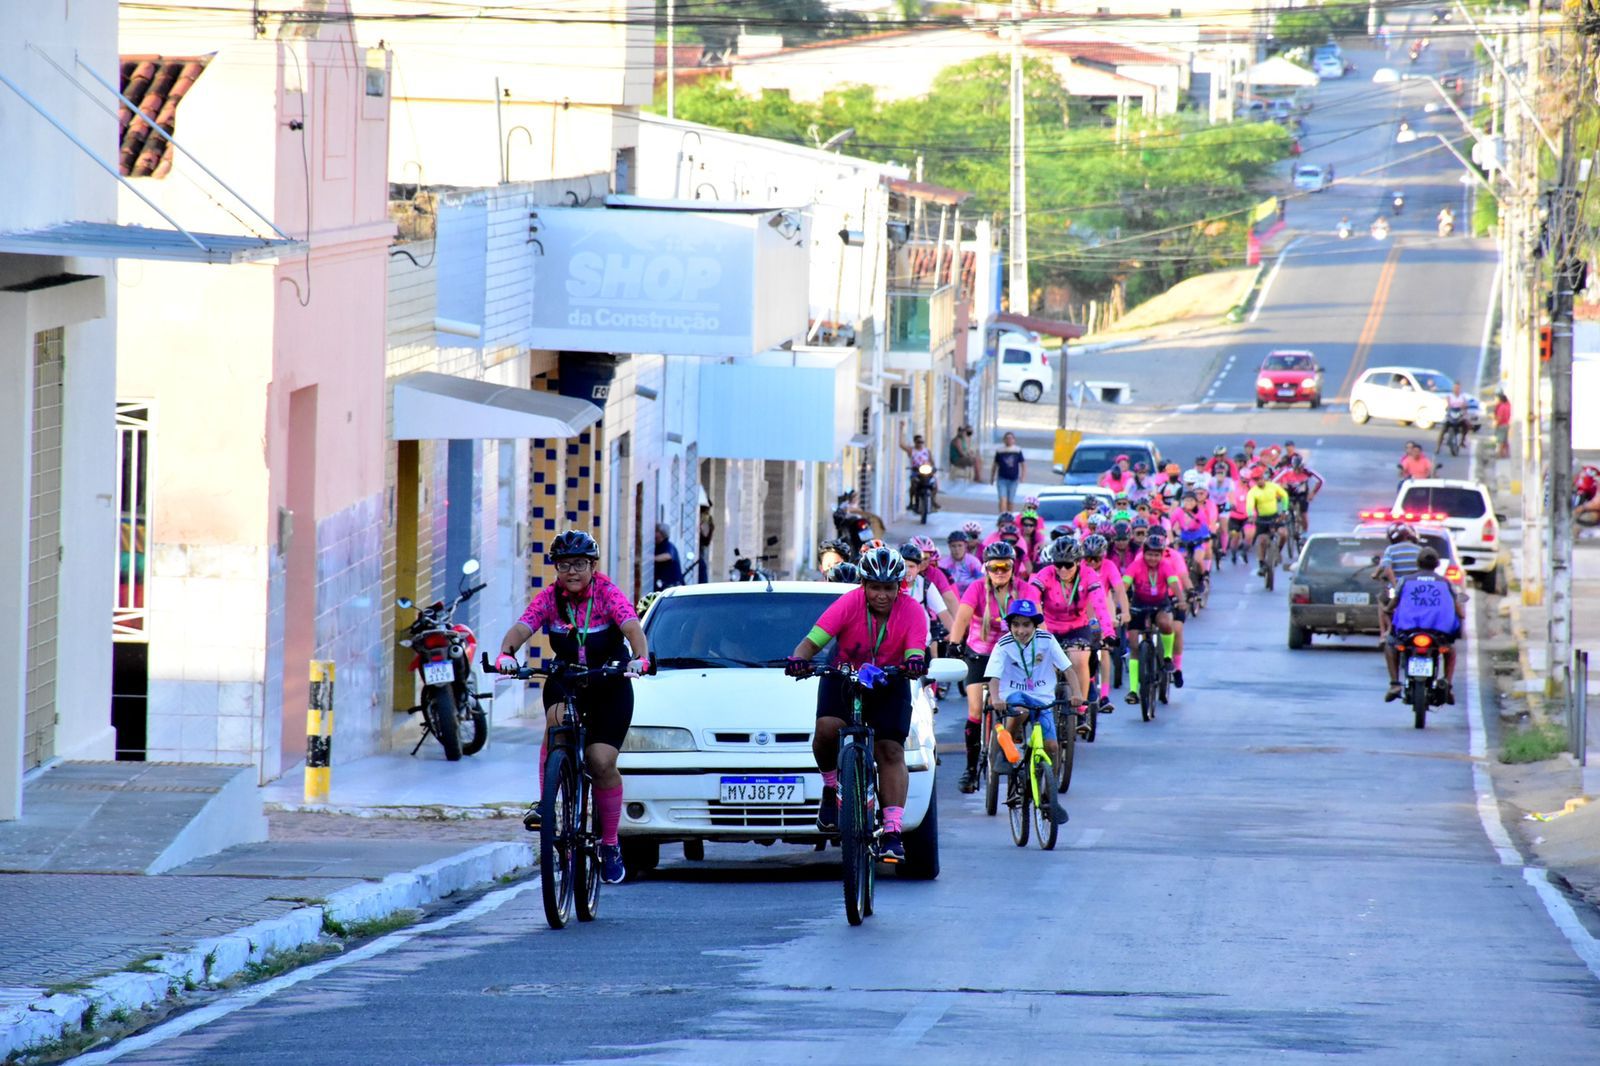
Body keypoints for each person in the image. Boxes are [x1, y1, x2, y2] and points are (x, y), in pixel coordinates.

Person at [495, 530, 650, 885]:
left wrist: (640, 658)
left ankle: (610, 844)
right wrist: (507, 653)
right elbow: (522, 627)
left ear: (593, 566)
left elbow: (631, 626)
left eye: (580, 564)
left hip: (609, 682)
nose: (572, 572)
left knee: (600, 761)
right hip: (567, 680)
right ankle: (547, 803)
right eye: (564, 565)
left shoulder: (608, 593)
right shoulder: (550, 598)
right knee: (555, 725)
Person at [785, 546, 928, 864]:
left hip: (889, 681)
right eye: (874, 587)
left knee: (891, 750)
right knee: (826, 729)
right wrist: (799, 660)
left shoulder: (912, 611)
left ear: (898, 587)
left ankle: (891, 832)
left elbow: (915, 650)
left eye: (888, 588)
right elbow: (812, 641)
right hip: (844, 675)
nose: (881, 595)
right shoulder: (848, 603)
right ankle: (830, 787)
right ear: (863, 585)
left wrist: (914, 663)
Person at [947, 541, 1043, 793]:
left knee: (1020, 708)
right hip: (980, 654)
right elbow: (962, 618)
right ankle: (970, 770)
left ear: (1014, 567)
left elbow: (1039, 624)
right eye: (994, 567)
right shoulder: (977, 588)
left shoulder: (1025, 589)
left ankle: (1006, 742)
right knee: (976, 710)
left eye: (1005, 566)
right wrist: (954, 643)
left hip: (1014, 657)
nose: (1000, 571)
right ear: (986, 568)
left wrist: (1044, 650)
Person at [983, 600, 1071, 825]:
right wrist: (996, 699)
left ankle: (1048, 795)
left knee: (1051, 747)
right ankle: (1006, 748)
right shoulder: (1003, 644)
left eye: (1026, 625)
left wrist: (1077, 695)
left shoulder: (1047, 640)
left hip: (1043, 697)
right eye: (1016, 625)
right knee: (1020, 710)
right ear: (1010, 626)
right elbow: (993, 675)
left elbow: (1068, 668)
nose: (1021, 630)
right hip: (1012, 693)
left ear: (1035, 626)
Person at [1036, 537, 1111, 730]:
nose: (1062, 570)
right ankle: (1044, 708)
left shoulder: (1089, 575)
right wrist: (1039, 628)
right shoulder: (1046, 574)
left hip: (1078, 627)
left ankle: (1081, 711)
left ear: (1078, 562)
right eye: (1058, 564)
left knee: (1079, 659)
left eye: (1067, 565)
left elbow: (1100, 605)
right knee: (1045, 666)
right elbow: (1032, 598)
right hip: (1049, 627)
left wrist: (1109, 632)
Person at [1383, 547, 1465, 704]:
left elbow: (1394, 603)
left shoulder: (1405, 581)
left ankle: (1394, 684)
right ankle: (1448, 684)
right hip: (1438, 633)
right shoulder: (1446, 583)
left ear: (1417, 563)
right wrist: (1460, 616)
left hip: (1408, 631)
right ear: (1437, 564)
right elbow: (1459, 611)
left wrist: (1386, 609)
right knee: (1450, 651)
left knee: (1390, 645)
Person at [1121, 531, 1181, 706]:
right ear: (1144, 553)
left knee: (1165, 623)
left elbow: (1174, 585)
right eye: (1149, 554)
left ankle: (1168, 657)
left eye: (1156, 555)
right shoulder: (1136, 565)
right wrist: (1120, 604)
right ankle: (1133, 690)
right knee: (1133, 645)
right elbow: (1123, 586)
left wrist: (1182, 600)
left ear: (1161, 554)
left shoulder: (1166, 566)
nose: (1152, 558)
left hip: (1161, 604)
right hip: (1139, 604)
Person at [1374, 522, 1423, 639]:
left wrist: (1396, 586)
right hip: (1416, 588)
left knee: (1382, 602)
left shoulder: (1391, 550)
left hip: (1396, 588)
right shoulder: (1420, 550)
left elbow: (1386, 569)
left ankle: (1384, 633)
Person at [1245, 471, 1291, 576]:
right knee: (1261, 540)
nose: (1259, 481)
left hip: (1274, 516)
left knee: (1284, 533)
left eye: (1260, 478)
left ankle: (1278, 551)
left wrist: (1284, 510)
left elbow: (1284, 495)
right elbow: (1249, 504)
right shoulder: (1253, 492)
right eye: (1256, 479)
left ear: (1263, 477)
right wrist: (1251, 515)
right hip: (1262, 518)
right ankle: (1261, 564)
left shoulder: (1273, 486)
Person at [1273, 454, 1324, 535]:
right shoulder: (1286, 470)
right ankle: (1281, 525)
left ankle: (1305, 533)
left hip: (1302, 493)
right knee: (1283, 509)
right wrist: (1280, 488)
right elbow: (1273, 482)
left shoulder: (1308, 471)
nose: (1297, 471)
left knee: (1303, 513)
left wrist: (1313, 493)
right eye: (1295, 469)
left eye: (1299, 469)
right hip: (1289, 492)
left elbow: (1321, 480)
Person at [899, 427, 940, 511]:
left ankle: (933, 500)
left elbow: (932, 461)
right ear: (915, 442)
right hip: (916, 471)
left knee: (935, 483)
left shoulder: (927, 451)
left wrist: (933, 467)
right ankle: (911, 502)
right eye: (918, 442)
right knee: (913, 483)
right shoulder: (912, 450)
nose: (920, 444)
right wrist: (901, 429)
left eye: (922, 442)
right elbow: (901, 444)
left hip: (927, 471)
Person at [992, 432, 1026, 512]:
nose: (1009, 440)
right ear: (1004, 440)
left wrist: (1023, 476)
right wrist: (992, 477)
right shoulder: (999, 451)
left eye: (1011, 438)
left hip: (1013, 480)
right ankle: (1002, 517)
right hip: (1002, 479)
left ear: (1014, 440)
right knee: (1002, 500)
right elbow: (995, 465)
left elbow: (1023, 465)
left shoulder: (1017, 450)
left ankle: (1010, 516)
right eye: (1007, 438)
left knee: (1010, 501)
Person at [1435, 383, 1471, 455]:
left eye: (1458, 388)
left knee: (1467, 425)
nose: (1456, 390)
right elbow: (1447, 404)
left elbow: (1465, 404)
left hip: (1460, 415)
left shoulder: (1462, 397)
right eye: (1455, 388)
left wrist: (1464, 407)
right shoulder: (1450, 396)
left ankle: (1462, 440)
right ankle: (1438, 447)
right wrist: (1448, 407)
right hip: (1451, 415)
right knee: (1443, 429)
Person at [653, 523, 685, 591]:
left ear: (661, 534)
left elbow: (668, 556)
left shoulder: (667, 545)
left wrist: (651, 558)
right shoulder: (658, 546)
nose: (654, 534)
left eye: (656, 531)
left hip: (672, 585)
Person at [697, 501, 715, 584]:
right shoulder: (699, 517)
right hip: (698, 549)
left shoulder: (707, 519)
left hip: (700, 549)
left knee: (702, 567)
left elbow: (706, 539)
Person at [1493, 392, 1512, 459]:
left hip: (1502, 425)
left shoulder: (1501, 406)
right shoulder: (1508, 405)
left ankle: (1500, 454)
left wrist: (1495, 424)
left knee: (1500, 440)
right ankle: (1504, 453)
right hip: (1506, 424)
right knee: (1504, 440)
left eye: (1496, 399)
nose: (1495, 401)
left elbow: (1499, 417)